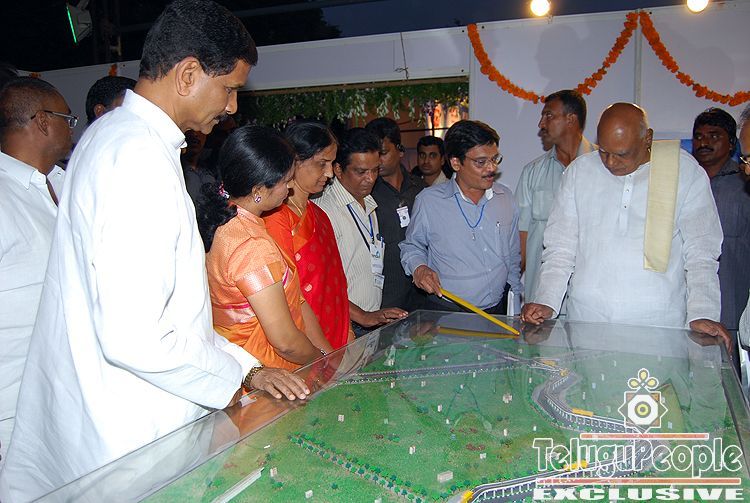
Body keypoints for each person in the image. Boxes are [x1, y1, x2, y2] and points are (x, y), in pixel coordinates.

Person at [0, 2, 308, 501]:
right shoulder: (135, 157)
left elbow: (172, 314)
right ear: (188, 74)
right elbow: (136, 337)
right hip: (130, 430)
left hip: (124, 415)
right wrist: (241, 374)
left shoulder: (117, 136)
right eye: (229, 88)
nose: (232, 106)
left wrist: (246, 367)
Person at [521, 103, 731, 350]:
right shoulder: (580, 171)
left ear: (647, 138)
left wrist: (702, 312)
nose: (610, 162)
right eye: (604, 151)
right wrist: (547, 301)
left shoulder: (684, 171)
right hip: (588, 323)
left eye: (621, 154)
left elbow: (701, 253)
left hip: (660, 328)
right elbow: (560, 248)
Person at [201, 125, 333, 371]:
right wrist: (320, 360)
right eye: (286, 181)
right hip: (267, 370)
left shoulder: (226, 220)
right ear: (259, 191)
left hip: (237, 362)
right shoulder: (251, 244)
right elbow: (286, 343)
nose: (290, 188)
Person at [0, 77, 73, 465]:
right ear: (43, 121)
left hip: (62, 396)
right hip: (10, 411)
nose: (72, 129)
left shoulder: (65, 183)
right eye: (67, 119)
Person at [400, 120, 523, 314]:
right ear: (456, 162)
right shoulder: (429, 201)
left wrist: (513, 305)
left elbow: (513, 257)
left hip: (497, 311)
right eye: (481, 162)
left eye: (495, 159)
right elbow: (412, 246)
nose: (491, 168)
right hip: (447, 311)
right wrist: (419, 268)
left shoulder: (505, 198)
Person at [264, 120, 353, 350]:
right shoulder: (277, 220)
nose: (330, 173)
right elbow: (290, 298)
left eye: (332, 163)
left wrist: (348, 338)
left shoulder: (320, 215)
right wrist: (325, 355)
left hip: (336, 339)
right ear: (294, 161)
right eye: (322, 163)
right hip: (303, 347)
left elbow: (336, 286)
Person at [315, 127, 407, 337]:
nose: (371, 178)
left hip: (370, 320)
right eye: (361, 172)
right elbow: (320, 285)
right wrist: (362, 316)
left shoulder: (369, 202)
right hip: (343, 324)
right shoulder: (324, 211)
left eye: (375, 170)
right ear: (338, 169)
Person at [515, 89, 594, 301]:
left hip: (589, 297)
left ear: (571, 119)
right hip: (541, 295)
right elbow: (522, 237)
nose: (541, 124)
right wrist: (511, 286)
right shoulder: (532, 173)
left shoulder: (604, 167)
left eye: (548, 115)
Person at [692, 108, 749, 345]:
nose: (704, 142)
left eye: (714, 136)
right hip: (692, 311)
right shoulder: (684, 182)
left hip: (735, 308)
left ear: (732, 143)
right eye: (698, 136)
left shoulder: (743, 185)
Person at [366, 117, 425, 310]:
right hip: (384, 294)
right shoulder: (366, 194)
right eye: (373, 153)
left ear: (400, 150)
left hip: (420, 290)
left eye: (382, 153)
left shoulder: (421, 189)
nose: (377, 160)